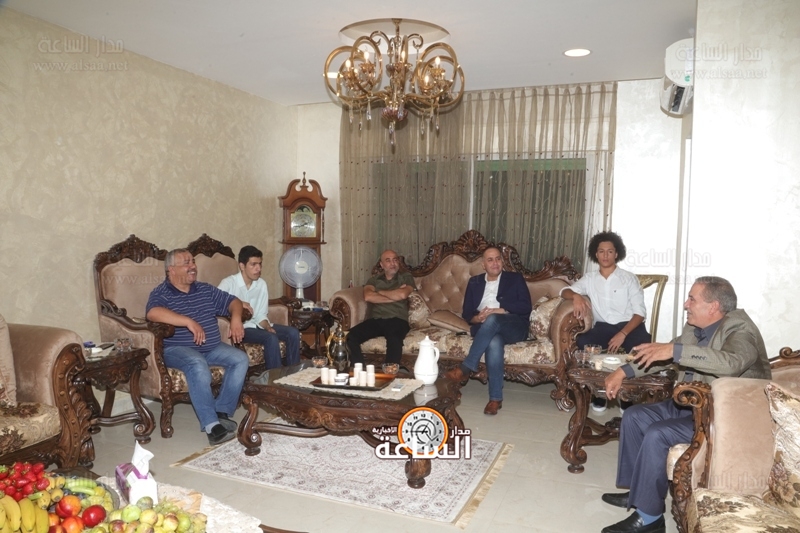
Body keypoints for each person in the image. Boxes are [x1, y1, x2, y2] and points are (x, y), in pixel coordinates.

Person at [599, 276, 770, 533]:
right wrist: (623, 372)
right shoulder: (693, 328)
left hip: (722, 415)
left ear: (713, 307)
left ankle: (650, 518)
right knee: (634, 416)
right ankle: (639, 492)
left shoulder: (741, 330)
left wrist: (675, 351)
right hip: (690, 402)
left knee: (658, 433)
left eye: (692, 299)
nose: (686, 305)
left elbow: (732, 363)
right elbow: (660, 356)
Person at [146, 248, 250, 446]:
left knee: (240, 359)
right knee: (197, 363)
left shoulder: (204, 289)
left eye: (193, 261)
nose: (192, 266)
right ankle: (212, 426)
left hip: (211, 347)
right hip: (176, 350)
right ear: (171, 270)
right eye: (186, 263)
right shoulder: (162, 293)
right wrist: (188, 321)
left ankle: (221, 412)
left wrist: (236, 318)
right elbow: (153, 312)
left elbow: (233, 302)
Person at [560, 231, 650, 412]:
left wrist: (622, 334)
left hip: (630, 326)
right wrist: (576, 296)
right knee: (584, 342)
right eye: (601, 251)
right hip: (603, 327)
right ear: (596, 254)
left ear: (616, 254)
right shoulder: (590, 278)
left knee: (639, 346)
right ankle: (599, 391)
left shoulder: (628, 278)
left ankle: (626, 396)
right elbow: (563, 291)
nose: (605, 255)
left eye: (610, 251)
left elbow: (640, 313)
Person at [444, 247, 532, 415]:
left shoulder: (515, 278)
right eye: (490, 260)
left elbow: (525, 306)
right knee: (493, 342)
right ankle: (495, 399)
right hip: (487, 328)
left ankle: (466, 367)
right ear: (483, 265)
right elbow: (467, 314)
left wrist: (501, 310)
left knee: (493, 319)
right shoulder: (474, 282)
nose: (495, 263)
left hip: (514, 325)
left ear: (502, 261)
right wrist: (478, 318)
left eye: (498, 258)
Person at [218, 245, 301, 370]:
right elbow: (215, 302)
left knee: (293, 333)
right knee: (270, 338)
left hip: (258, 325)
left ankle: (293, 374)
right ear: (242, 266)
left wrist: (267, 327)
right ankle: (275, 378)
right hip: (242, 327)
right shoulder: (228, 283)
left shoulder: (261, 284)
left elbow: (261, 314)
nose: (258, 268)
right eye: (253, 264)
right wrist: (238, 303)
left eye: (260, 264)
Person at [346, 250, 415, 365]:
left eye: (395, 260)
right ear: (382, 265)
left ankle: (390, 371)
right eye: (388, 261)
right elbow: (368, 296)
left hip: (397, 319)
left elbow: (403, 295)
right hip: (376, 320)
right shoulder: (374, 280)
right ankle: (359, 370)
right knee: (349, 337)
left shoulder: (406, 277)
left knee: (394, 339)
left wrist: (379, 291)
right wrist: (395, 294)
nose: (392, 263)